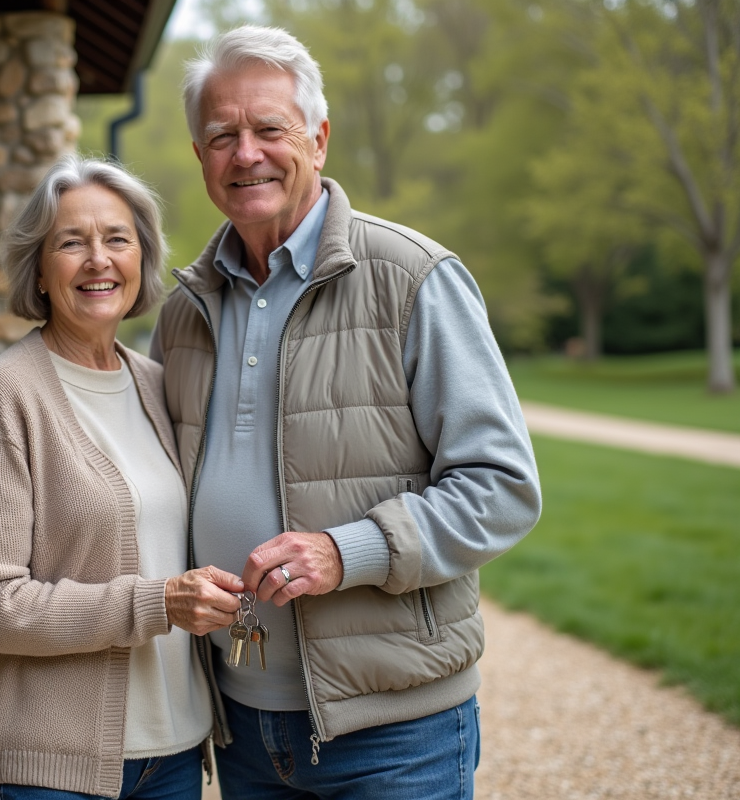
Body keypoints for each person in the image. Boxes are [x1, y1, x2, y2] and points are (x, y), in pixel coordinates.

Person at [149, 25, 543, 800]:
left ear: (319, 140)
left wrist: (346, 551)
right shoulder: (183, 310)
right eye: (222, 135)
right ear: (200, 158)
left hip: (394, 731)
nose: (246, 153)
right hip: (238, 723)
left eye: (270, 129)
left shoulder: (413, 277)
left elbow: (502, 488)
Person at [0, 154, 244, 800]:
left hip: (176, 752)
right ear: (41, 271)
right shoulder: (5, 396)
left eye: (117, 239)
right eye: (71, 243)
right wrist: (155, 602)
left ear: (142, 260)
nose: (98, 259)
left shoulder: (159, 385)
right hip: (49, 768)